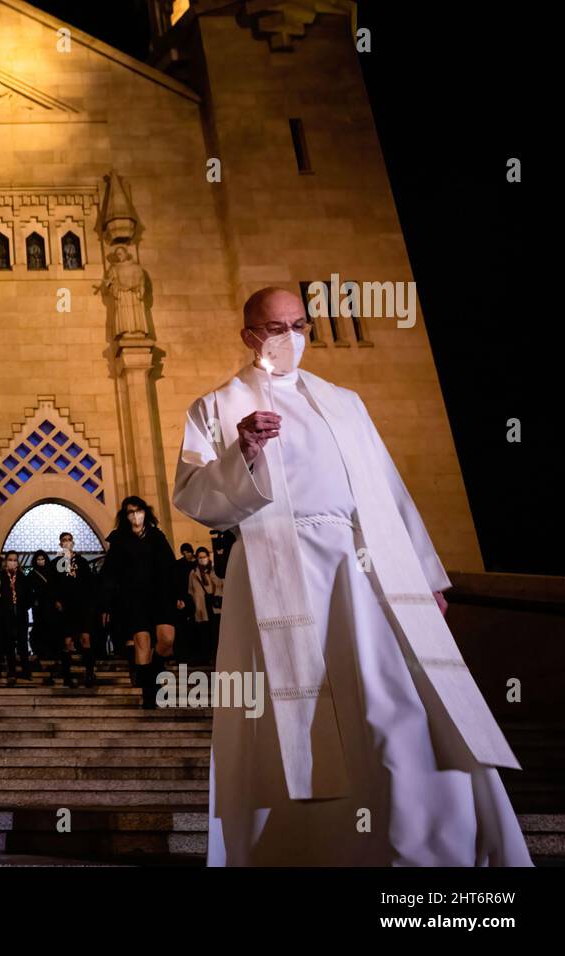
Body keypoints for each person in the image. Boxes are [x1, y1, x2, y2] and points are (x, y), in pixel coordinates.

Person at [172, 285, 530, 866]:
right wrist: (245, 452)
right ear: (248, 336)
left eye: (299, 325)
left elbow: (390, 491)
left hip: (359, 570)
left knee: (393, 704)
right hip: (275, 575)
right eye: (274, 327)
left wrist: (425, 575)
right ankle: (308, 848)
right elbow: (195, 497)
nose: (289, 337)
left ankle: (421, 844)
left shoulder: (344, 401)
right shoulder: (216, 405)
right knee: (297, 719)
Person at [101, 496, 178, 706]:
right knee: (142, 643)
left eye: (139, 511)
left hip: (159, 596)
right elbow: (109, 574)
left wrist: (178, 595)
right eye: (130, 512)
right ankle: (149, 695)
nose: (135, 515)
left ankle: (154, 670)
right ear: (125, 516)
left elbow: (171, 566)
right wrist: (108, 604)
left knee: (166, 640)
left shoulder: (156, 536)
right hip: (133, 599)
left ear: (146, 512)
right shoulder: (119, 540)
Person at [51, 531, 97, 688]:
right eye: (64, 540)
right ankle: (67, 676)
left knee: (85, 639)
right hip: (65, 607)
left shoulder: (82, 562)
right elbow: (53, 584)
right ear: (60, 544)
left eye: (69, 540)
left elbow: (90, 584)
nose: (67, 542)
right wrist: (56, 600)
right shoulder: (57, 563)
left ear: (73, 542)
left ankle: (90, 674)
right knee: (67, 642)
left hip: (81, 606)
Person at [0, 551, 34, 683]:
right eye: (10, 559)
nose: (12, 562)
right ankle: (11, 671)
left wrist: (24, 607)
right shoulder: (0, 577)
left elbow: (29, 595)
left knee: (23, 643)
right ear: (6, 561)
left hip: (21, 615)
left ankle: (26, 671)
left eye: (15, 560)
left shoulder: (23, 577)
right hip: (7, 615)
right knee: (9, 644)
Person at [187, 546, 223, 664]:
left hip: (214, 604)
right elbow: (191, 590)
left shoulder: (215, 569)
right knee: (205, 632)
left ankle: (217, 655)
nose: (202, 559)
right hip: (202, 606)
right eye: (200, 557)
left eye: (204, 557)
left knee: (216, 630)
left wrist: (211, 573)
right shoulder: (194, 573)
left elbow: (220, 584)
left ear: (208, 557)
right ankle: (208, 656)